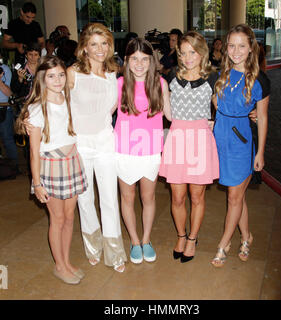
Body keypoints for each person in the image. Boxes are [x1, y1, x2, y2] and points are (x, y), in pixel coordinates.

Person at [15, 56, 88, 284]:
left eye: (60, 75)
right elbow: (34, 152)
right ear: (42, 79)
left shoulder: (69, 99)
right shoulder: (37, 110)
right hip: (51, 166)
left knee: (69, 217)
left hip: (72, 162)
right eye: (51, 76)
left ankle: (65, 261)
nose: (57, 80)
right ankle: (59, 265)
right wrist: (37, 183)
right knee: (57, 219)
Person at [67, 23, 127, 272]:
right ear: (84, 48)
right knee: (85, 198)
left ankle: (114, 253)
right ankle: (93, 246)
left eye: (104, 43)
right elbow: (57, 104)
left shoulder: (114, 72)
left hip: (105, 141)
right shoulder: (72, 73)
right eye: (94, 44)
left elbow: (112, 109)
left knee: (110, 199)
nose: (100, 49)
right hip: (80, 144)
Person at [211, 24, 270, 267]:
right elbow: (215, 101)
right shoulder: (220, 74)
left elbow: (264, 117)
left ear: (250, 48)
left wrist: (261, 152)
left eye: (242, 46)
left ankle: (223, 244)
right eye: (232, 45)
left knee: (234, 197)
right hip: (220, 139)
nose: (236, 51)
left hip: (242, 142)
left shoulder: (260, 80)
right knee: (238, 195)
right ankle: (246, 237)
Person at [159, 31, 219, 263]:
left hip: (200, 141)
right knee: (177, 197)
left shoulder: (213, 77)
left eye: (192, 52)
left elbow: (220, 107)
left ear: (201, 52)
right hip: (177, 139)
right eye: (183, 53)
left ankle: (193, 238)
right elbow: (165, 107)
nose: (187, 57)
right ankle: (181, 235)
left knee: (196, 196)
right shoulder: (173, 75)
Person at [114, 38, 171, 264]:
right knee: (127, 198)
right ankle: (135, 241)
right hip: (124, 151)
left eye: (144, 59)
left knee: (148, 197)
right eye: (134, 59)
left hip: (150, 151)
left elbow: (171, 115)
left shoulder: (160, 83)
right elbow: (101, 111)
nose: (139, 64)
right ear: (126, 60)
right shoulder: (118, 84)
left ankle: (146, 240)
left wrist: (202, 122)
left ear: (152, 61)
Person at [0, 56, 18, 171]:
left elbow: (9, 93)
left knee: (7, 139)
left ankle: (14, 167)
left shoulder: (5, 69)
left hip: (4, 108)